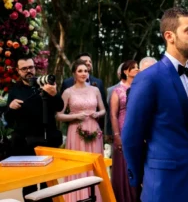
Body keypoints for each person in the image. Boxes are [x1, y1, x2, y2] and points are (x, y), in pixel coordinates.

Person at [121, 7, 188, 202]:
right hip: (162, 186)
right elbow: (131, 137)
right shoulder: (149, 78)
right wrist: (143, 177)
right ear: (170, 36)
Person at [5, 57, 64, 202]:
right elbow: (9, 120)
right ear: (18, 71)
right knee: (29, 184)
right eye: (24, 69)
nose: (28, 71)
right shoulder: (15, 91)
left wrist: (54, 94)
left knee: (48, 184)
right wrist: (11, 108)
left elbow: (60, 107)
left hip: (47, 140)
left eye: (30, 67)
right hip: (25, 144)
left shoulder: (46, 84)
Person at [56, 59, 106, 202]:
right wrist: (76, 115)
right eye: (80, 71)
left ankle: (96, 197)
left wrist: (98, 114)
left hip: (94, 130)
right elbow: (59, 115)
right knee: (78, 165)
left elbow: (103, 110)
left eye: (86, 71)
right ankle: (77, 197)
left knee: (94, 164)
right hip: (76, 131)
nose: (84, 73)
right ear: (74, 74)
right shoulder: (68, 92)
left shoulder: (95, 90)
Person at [110, 60, 139, 202]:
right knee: (124, 164)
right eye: (134, 68)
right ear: (126, 71)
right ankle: (124, 197)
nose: (137, 70)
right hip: (123, 128)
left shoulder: (140, 88)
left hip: (138, 129)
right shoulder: (117, 91)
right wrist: (116, 135)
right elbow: (113, 115)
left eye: (137, 68)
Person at [60, 52, 107, 129]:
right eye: (85, 61)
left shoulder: (98, 83)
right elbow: (60, 110)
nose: (88, 63)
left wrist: (97, 115)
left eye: (90, 61)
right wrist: (72, 119)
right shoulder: (67, 84)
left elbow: (104, 107)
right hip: (74, 126)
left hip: (94, 126)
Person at [105, 62, 124, 139]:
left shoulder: (138, 88)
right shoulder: (111, 90)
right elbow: (108, 112)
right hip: (117, 129)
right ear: (119, 74)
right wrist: (108, 132)